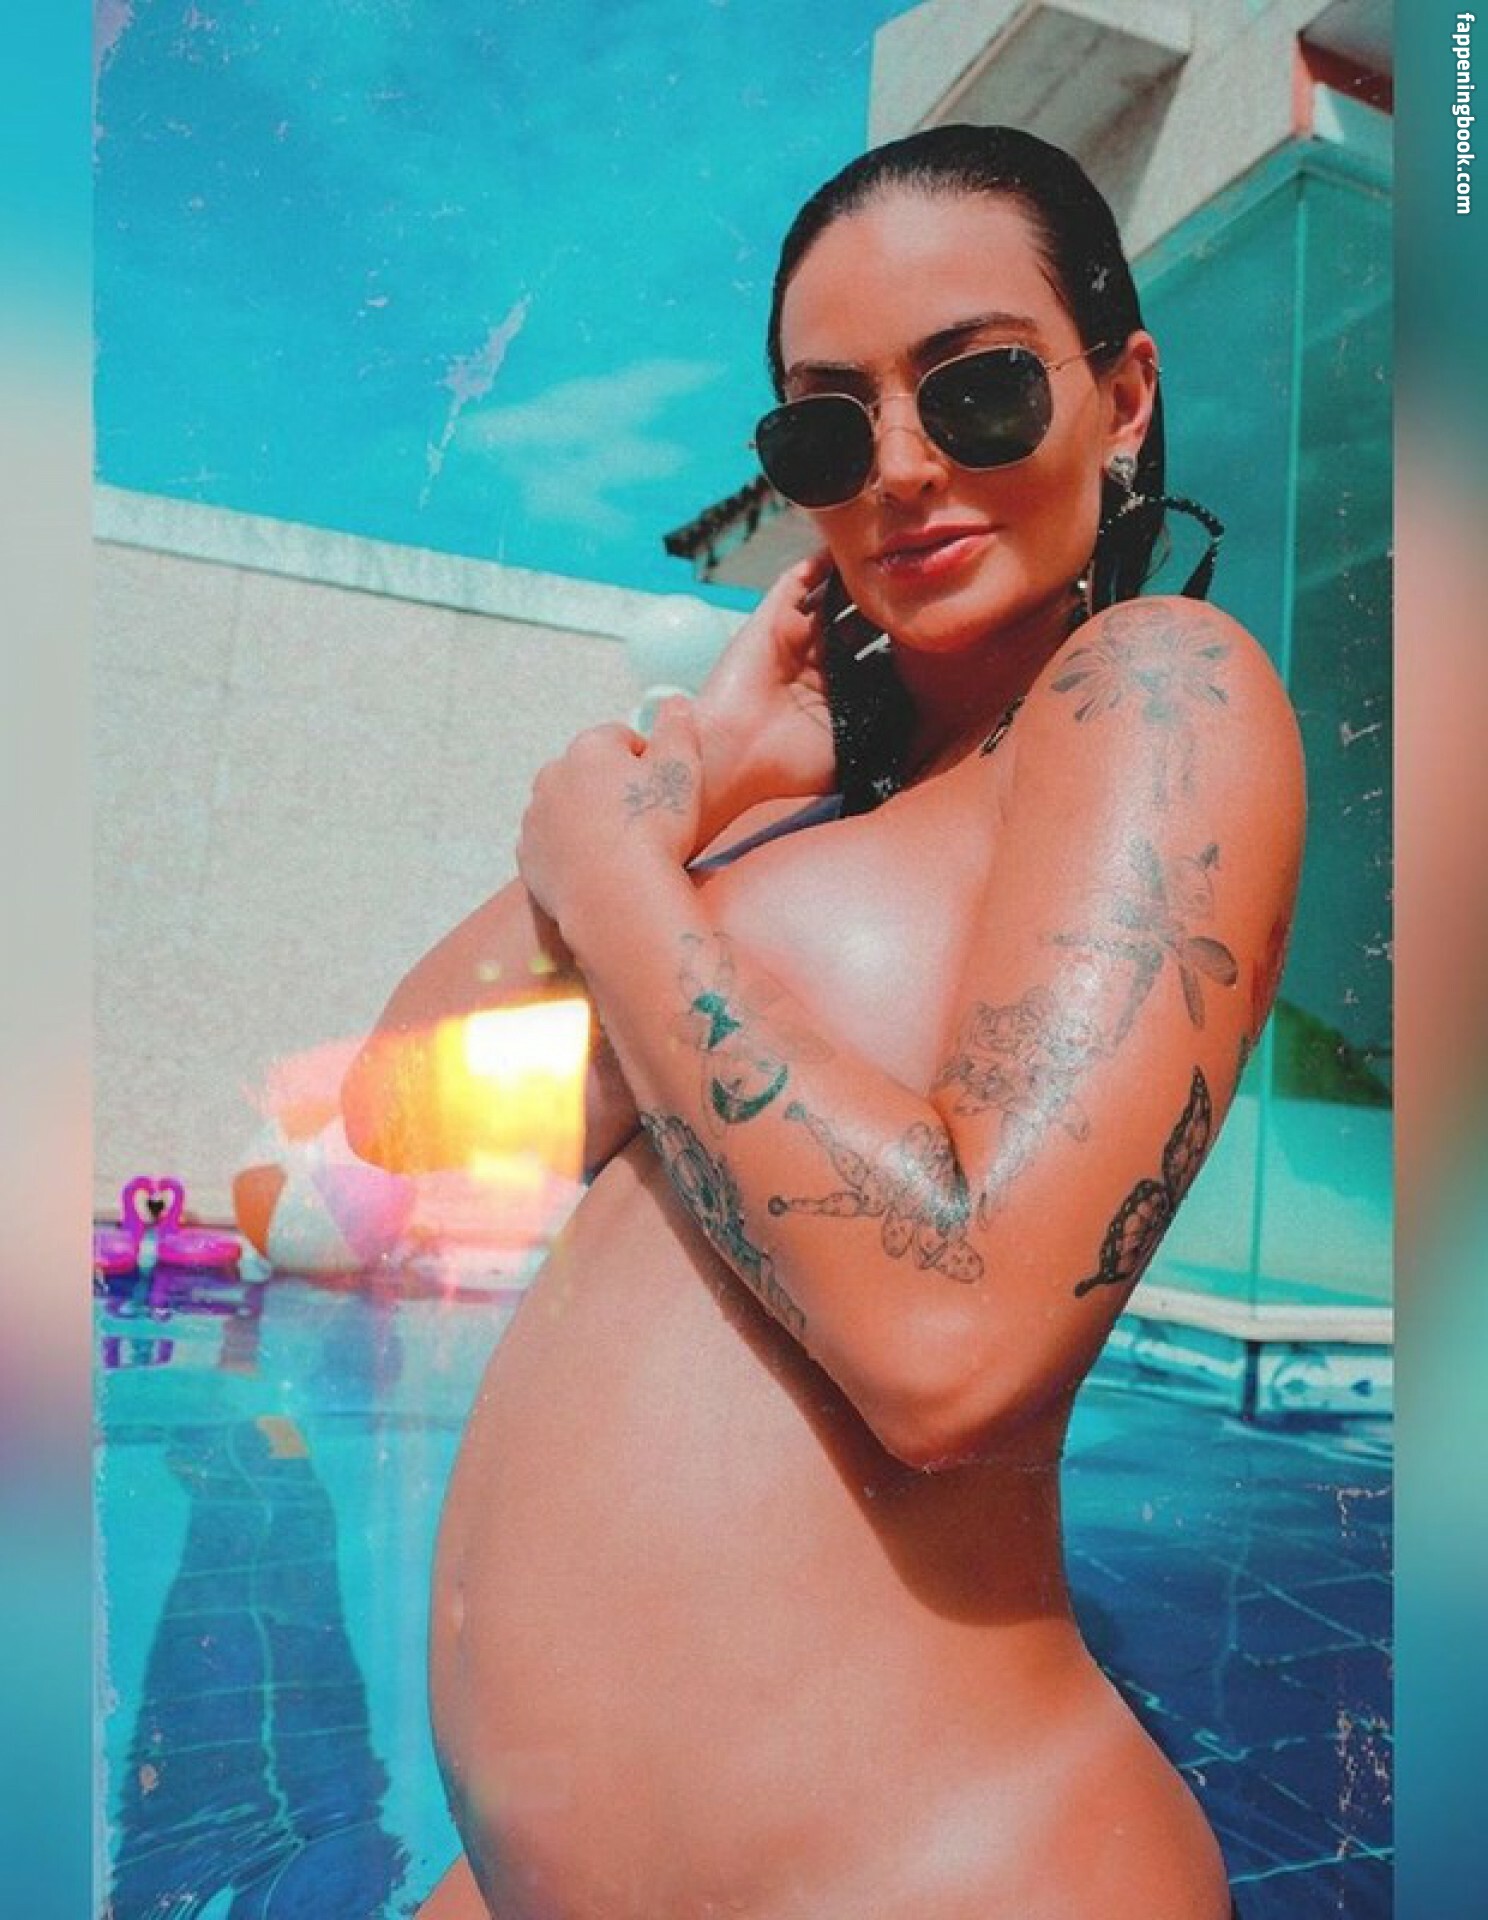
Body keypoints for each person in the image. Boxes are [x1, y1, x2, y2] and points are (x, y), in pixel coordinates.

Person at [343, 123, 1303, 1920]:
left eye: (981, 387)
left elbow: (956, 1347)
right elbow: (414, 1116)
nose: (905, 469)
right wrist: (709, 773)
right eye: (826, 429)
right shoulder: (780, 821)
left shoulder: (1152, 691)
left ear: (1124, 397)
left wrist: (619, 877)